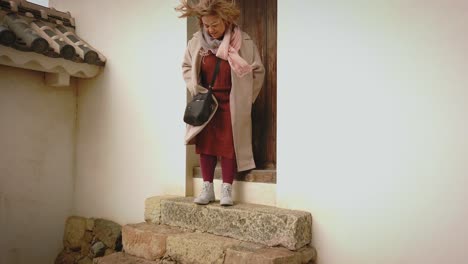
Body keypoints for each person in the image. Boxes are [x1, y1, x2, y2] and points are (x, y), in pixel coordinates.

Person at [176, 0, 265, 206]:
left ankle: (226, 189)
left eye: (214, 24)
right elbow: (187, 66)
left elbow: (257, 71)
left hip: (232, 102)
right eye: (206, 25)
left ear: (225, 20)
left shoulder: (243, 41)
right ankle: (207, 188)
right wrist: (195, 88)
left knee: (229, 146)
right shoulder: (197, 41)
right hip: (207, 102)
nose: (210, 29)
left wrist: (245, 98)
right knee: (205, 146)